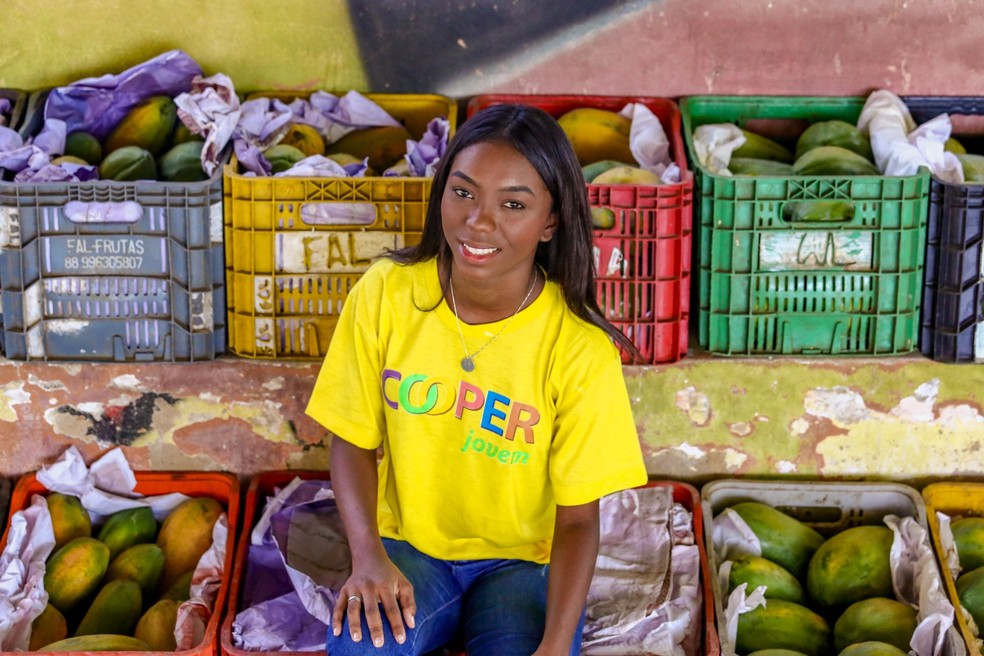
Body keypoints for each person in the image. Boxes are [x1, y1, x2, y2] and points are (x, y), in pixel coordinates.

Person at [305, 103, 647, 656]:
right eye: (463, 192)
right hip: (408, 548)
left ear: (551, 221)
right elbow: (352, 438)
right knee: (362, 648)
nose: (479, 221)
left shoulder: (579, 348)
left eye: (513, 204)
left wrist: (556, 646)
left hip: (522, 563)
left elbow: (580, 521)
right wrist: (368, 557)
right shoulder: (388, 294)